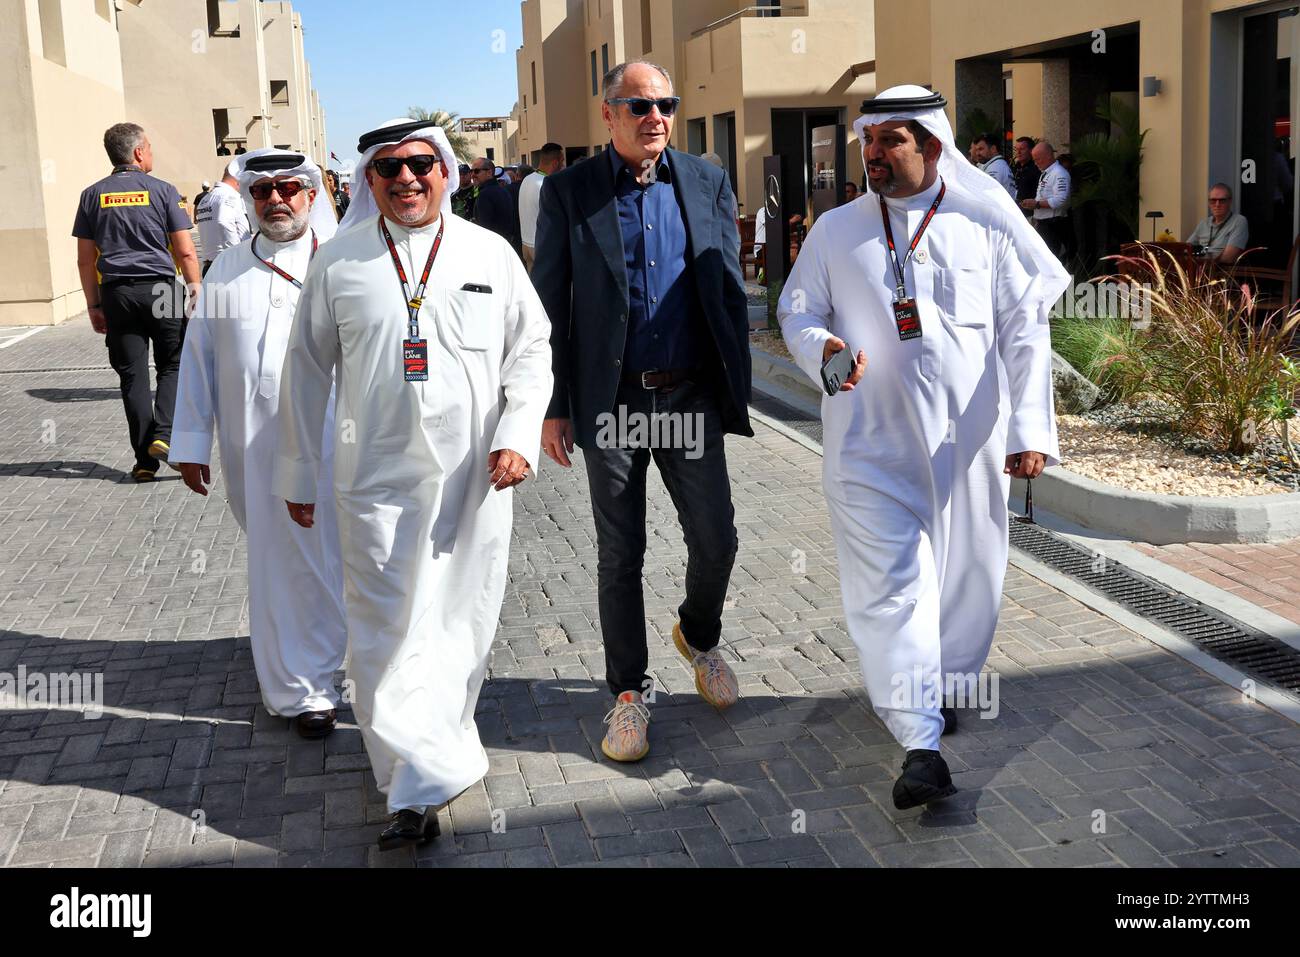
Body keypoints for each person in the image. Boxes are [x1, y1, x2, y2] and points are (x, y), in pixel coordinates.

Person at [777, 86, 1069, 810]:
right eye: (868, 141)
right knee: (894, 589)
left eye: (889, 142)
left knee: (970, 571)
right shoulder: (836, 230)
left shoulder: (984, 221)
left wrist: (1031, 428)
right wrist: (823, 350)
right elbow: (796, 307)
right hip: (869, 448)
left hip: (967, 444)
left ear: (931, 146)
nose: (872, 154)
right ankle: (919, 740)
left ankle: (945, 682)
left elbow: (1024, 329)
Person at [274, 118, 552, 851]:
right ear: (369, 178)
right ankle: (409, 785)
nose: (406, 178)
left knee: (462, 622)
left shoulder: (489, 253)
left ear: (446, 171)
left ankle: (439, 748)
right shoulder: (338, 263)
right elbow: (303, 373)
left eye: (421, 164)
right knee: (384, 630)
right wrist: (299, 471)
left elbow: (532, 349)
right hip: (373, 481)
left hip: (474, 478)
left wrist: (519, 433)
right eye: (389, 167)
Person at [533, 60, 753, 763]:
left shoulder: (707, 180)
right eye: (638, 104)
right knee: (621, 553)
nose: (654, 115)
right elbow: (551, 304)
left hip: (688, 395)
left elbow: (724, 288)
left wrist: (734, 381)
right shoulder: (570, 193)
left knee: (717, 538)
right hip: (614, 400)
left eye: (665, 103)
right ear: (608, 114)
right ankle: (628, 695)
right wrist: (553, 406)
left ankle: (699, 633)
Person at [171, 149, 347, 738]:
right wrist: (191, 442)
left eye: (289, 188)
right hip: (258, 451)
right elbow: (197, 360)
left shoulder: (347, 263)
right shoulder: (225, 272)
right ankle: (302, 689)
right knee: (282, 564)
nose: (277, 199)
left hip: (347, 448)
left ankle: (351, 669)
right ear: (248, 199)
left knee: (350, 558)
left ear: (312, 194)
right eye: (264, 190)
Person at [73, 122, 201, 483]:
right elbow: (184, 248)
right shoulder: (162, 191)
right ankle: (164, 435)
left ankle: (145, 461)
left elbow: (84, 259)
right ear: (139, 152)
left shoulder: (91, 195)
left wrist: (94, 305)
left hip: (116, 294)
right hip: (160, 290)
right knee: (173, 365)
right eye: (150, 147)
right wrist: (195, 289)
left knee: (132, 377)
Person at [196, 162, 251, 275]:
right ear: (238, 177)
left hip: (209, 266)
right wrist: (237, 256)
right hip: (229, 265)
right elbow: (224, 221)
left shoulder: (205, 199)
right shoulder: (231, 196)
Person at [518, 144, 565, 271]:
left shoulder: (526, 180)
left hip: (526, 245)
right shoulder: (546, 184)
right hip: (541, 246)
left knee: (533, 288)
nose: (563, 166)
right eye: (562, 161)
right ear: (555, 163)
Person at [1023, 141, 1071, 262]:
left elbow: (1061, 200)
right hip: (1044, 224)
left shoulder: (1059, 173)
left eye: (1038, 159)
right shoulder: (1046, 173)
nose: (1035, 163)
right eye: (1034, 160)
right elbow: (1045, 196)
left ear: (1049, 156)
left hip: (1054, 226)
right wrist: (1033, 203)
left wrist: (1037, 204)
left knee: (1052, 260)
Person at [470, 156, 522, 256]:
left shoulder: (485, 194)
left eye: (476, 171)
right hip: (505, 246)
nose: (472, 175)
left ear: (489, 172)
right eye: (471, 171)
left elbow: (484, 228)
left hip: (492, 250)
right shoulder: (502, 190)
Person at [1187, 183, 1249, 264]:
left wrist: (1197, 258)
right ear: (1209, 203)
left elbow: (1228, 258)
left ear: (1230, 201)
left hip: (1222, 271)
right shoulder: (1204, 223)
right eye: (1213, 200)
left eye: (1222, 200)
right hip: (1199, 269)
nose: (1217, 204)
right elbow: (1186, 248)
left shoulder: (1239, 221)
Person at [971, 132, 1016, 199]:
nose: (977, 153)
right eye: (976, 150)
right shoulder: (997, 164)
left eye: (981, 149)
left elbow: (986, 195)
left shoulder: (996, 167)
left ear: (993, 149)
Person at [1011, 136, 1038, 216]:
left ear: (1031, 150)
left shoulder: (1036, 168)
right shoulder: (1014, 167)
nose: (1018, 152)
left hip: (1030, 214)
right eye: (1016, 149)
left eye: (1022, 149)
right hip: (1015, 212)